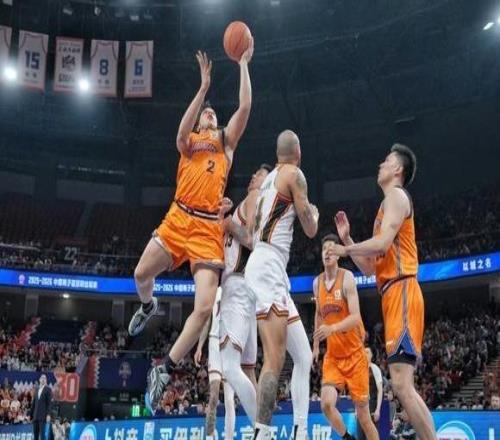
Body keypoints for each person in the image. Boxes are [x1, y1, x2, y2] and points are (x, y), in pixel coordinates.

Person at [128, 43, 254, 412]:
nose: (211, 115)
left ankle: (163, 369)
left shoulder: (225, 143)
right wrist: (202, 89)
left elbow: (245, 107)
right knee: (140, 275)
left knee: (203, 308)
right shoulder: (191, 143)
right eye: (206, 114)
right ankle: (148, 306)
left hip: (207, 229)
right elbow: (179, 134)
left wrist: (243, 64)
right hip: (178, 218)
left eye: (214, 112)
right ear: (200, 120)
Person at [333, 144, 437, 440]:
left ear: (398, 170)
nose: (381, 164)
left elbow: (380, 244)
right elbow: (370, 267)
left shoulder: (397, 196)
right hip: (391, 294)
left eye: (387, 161)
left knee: (402, 384)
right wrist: (349, 240)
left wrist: (345, 249)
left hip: (402, 289)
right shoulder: (384, 207)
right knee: (404, 386)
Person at [220, 164, 313, 440]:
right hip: (258, 282)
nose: (253, 176)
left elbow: (251, 238)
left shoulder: (256, 197)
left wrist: (228, 223)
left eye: (259, 174)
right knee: (252, 366)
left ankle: (266, 430)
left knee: (237, 365)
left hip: (243, 285)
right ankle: (277, 429)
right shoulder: (259, 202)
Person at [244, 130, 319, 440]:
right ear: (298, 153)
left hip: (265, 263)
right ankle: (261, 432)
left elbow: (251, 233)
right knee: (275, 358)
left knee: (303, 356)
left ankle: (300, 428)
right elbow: (310, 228)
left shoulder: (267, 182)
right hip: (269, 266)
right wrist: (314, 215)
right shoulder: (294, 175)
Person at [313, 234, 379, 440]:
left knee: (364, 418)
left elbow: (355, 317)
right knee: (326, 404)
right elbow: (318, 314)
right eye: (324, 248)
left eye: (332, 248)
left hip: (355, 355)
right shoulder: (317, 283)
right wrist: (315, 345)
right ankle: (347, 437)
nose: (327, 251)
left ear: (338, 255)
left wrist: (332, 329)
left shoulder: (347, 278)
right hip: (333, 357)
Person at [195, 289, 236, 440]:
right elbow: (207, 322)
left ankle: (229, 437)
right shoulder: (215, 291)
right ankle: (209, 436)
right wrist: (200, 346)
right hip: (214, 342)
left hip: (230, 343)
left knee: (229, 400)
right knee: (213, 396)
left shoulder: (236, 288)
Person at [357, 348, 383, 440]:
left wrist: (377, 410)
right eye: (364, 352)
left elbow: (380, 390)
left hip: (372, 406)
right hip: (361, 407)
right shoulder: (359, 370)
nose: (365, 354)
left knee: (372, 436)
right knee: (361, 436)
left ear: (371, 355)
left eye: (367, 352)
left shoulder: (375, 369)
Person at [30, 374, 52, 440]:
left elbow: (49, 403)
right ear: (39, 380)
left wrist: (48, 414)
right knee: (35, 435)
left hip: (43, 416)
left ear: (46, 380)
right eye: (42, 378)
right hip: (35, 416)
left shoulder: (48, 389)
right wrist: (30, 415)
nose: (43, 379)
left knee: (42, 435)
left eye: (44, 378)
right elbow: (34, 404)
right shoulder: (36, 390)